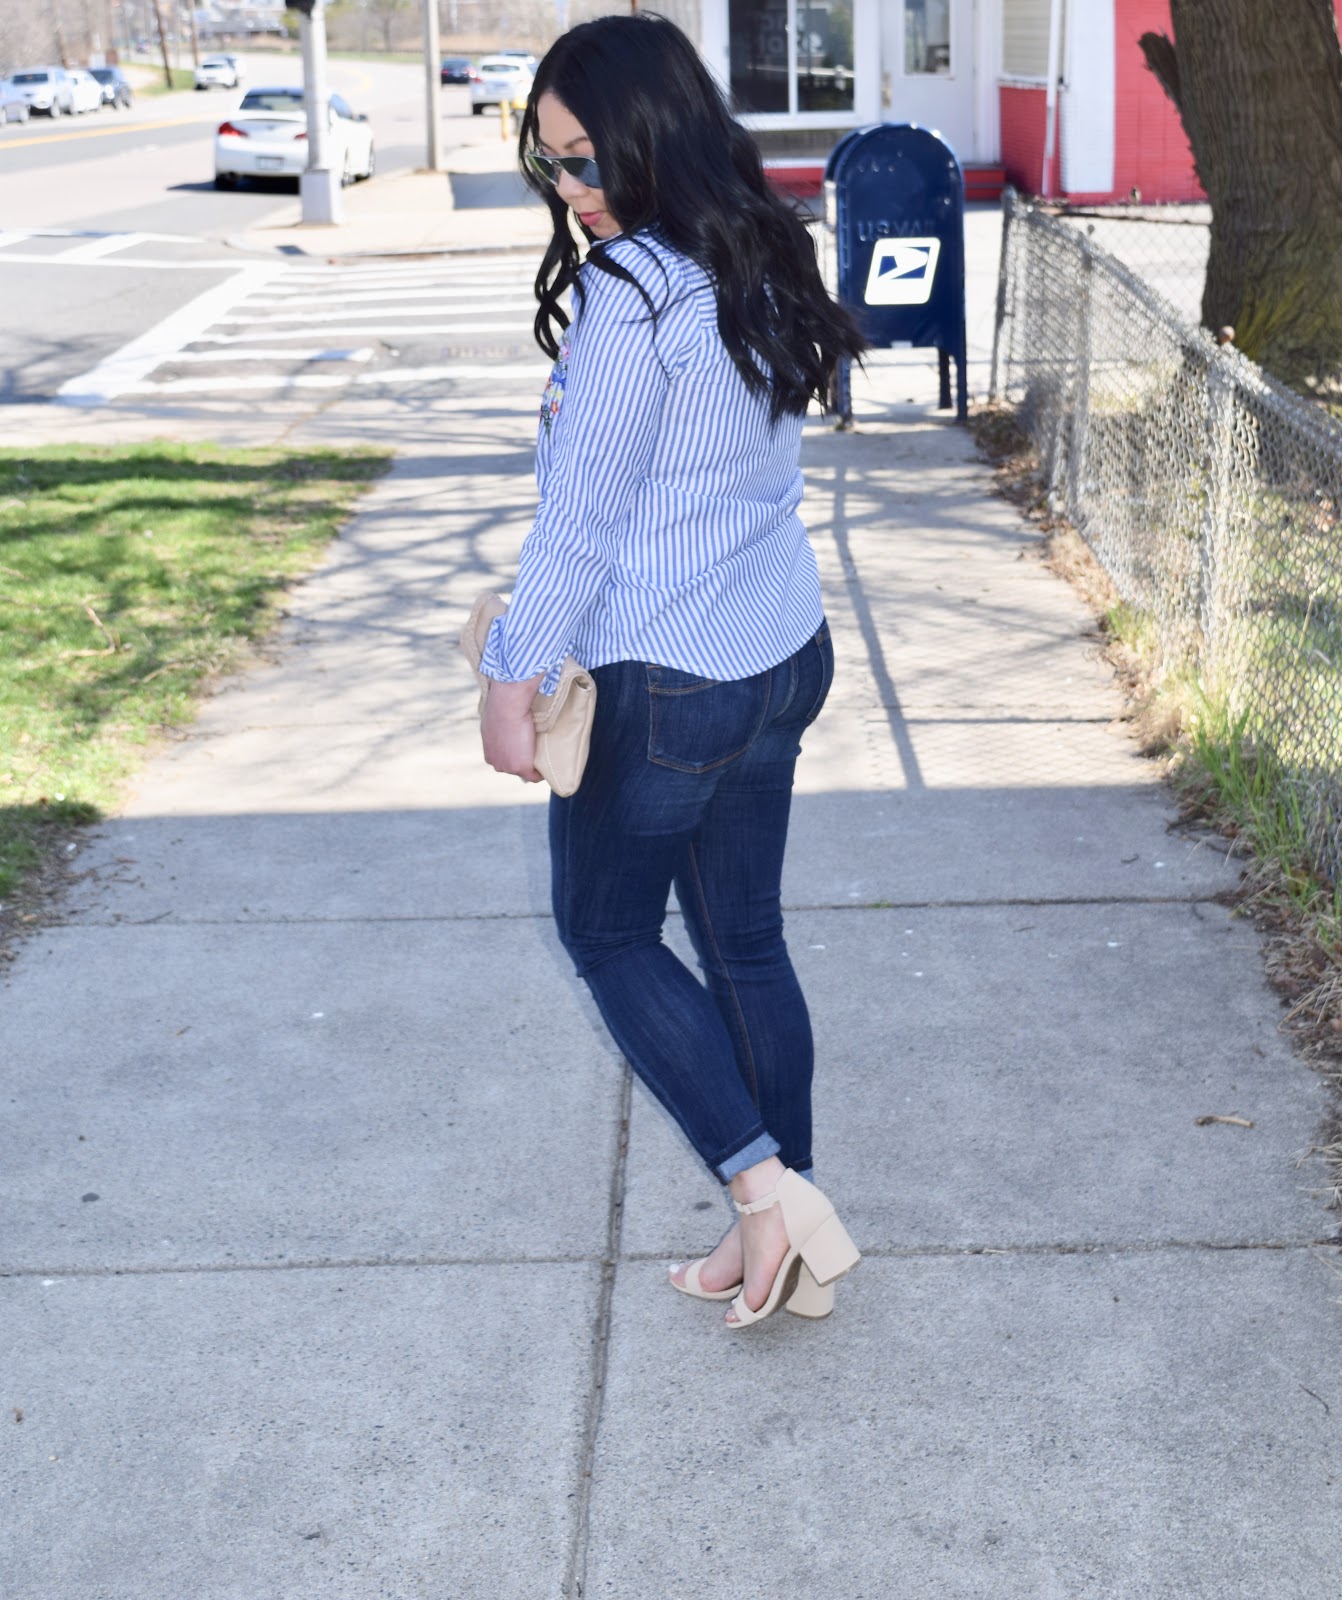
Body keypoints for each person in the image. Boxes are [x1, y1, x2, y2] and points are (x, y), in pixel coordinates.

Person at [477, 13, 867, 1329]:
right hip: (778, 652)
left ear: (654, 135)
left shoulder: (635, 288)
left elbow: (580, 523)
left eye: (586, 160)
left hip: (669, 678)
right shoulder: (761, 248)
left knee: (605, 934)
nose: (568, 192)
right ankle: (780, 1235)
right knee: (743, 940)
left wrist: (510, 674)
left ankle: (764, 1193)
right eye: (549, 165)